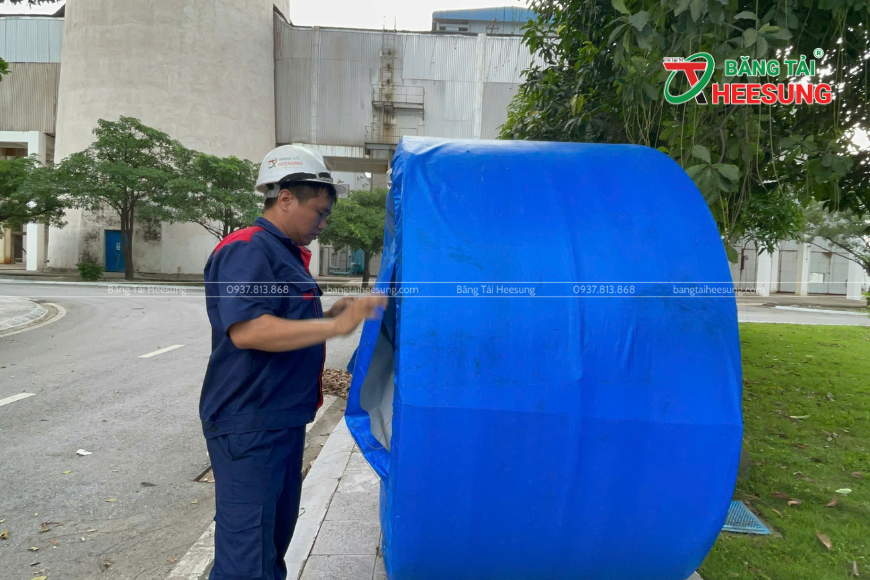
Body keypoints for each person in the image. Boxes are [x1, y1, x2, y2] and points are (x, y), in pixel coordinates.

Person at [199, 145, 387, 579]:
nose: (322, 225)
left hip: (279, 418)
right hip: (248, 421)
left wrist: (329, 317)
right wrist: (334, 329)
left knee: (270, 546)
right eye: (318, 212)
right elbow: (249, 330)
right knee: (247, 557)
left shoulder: (283, 253)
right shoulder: (247, 248)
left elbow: (282, 322)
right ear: (285, 198)